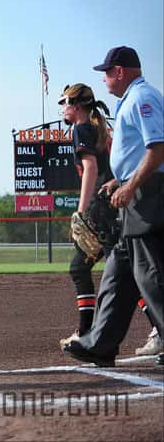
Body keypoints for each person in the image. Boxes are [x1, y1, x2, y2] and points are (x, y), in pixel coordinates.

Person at [63, 46, 164, 366]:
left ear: (121, 71)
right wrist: (120, 181)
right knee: (119, 271)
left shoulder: (141, 98)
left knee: (149, 273)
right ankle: (100, 343)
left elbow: (158, 148)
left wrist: (131, 184)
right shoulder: (129, 101)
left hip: (148, 195)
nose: (104, 78)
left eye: (107, 71)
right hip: (133, 194)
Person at [56, 84, 118, 347]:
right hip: (111, 207)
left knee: (79, 268)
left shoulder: (81, 127)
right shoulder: (98, 127)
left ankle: (85, 333)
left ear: (77, 106)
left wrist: (81, 212)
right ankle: (158, 329)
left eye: (65, 102)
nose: (62, 107)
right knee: (126, 270)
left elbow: (90, 168)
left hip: (99, 208)